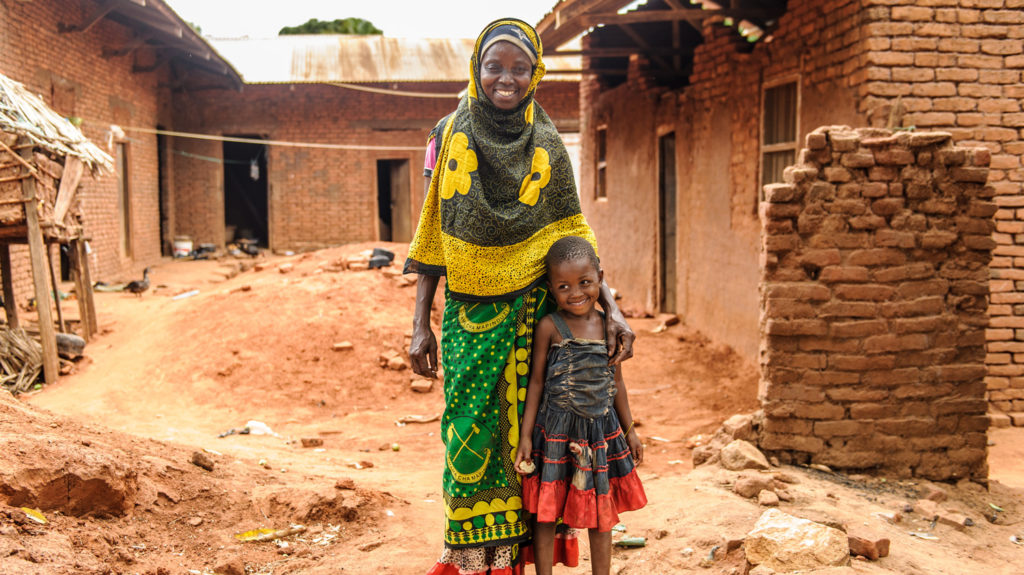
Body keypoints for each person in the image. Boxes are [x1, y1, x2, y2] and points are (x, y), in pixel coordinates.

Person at [406, 18, 636, 575]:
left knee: (540, 441)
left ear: (535, 73)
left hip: (537, 316)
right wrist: (419, 323)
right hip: (471, 318)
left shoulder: (548, 142)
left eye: (518, 68)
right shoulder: (448, 132)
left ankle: (532, 561)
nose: (504, 79)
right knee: (469, 431)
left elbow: (573, 236)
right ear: (476, 70)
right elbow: (433, 229)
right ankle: (474, 561)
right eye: (493, 66)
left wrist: (612, 305)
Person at [513, 236, 647, 575]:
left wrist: (630, 431)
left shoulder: (609, 327)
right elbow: (537, 384)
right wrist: (527, 436)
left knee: (601, 512)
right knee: (546, 511)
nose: (576, 293)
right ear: (550, 288)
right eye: (564, 286)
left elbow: (616, 383)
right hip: (555, 434)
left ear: (600, 278)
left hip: (600, 433)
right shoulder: (549, 327)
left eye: (585, 283)